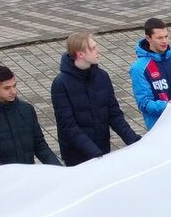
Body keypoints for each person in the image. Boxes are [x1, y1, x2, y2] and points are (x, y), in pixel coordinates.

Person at [52, 33, 142, 166]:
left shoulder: (102, 76)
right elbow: (69, 126)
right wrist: (94, 152)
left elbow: (114, 114)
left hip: (102, 150)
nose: (98, 51)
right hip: (78, 157)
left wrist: (133, 140)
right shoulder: (60, 84)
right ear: (80, 54)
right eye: (93, 48)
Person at [0, 66, 61, 166]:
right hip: (3, 178)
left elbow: (40, 145)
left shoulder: (26, 109)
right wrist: (12, 174)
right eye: (7, 88)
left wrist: (58, 168)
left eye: (14, 86)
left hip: (26, 175)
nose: (14, 91)